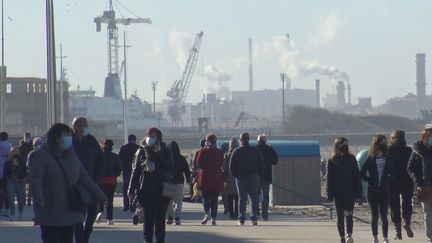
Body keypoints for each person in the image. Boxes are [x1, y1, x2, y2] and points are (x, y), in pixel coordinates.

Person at [30, 123, 106, 243]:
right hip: (50, 208)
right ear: (56, 138)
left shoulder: (71, 155)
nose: (69, 139)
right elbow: (36, 180)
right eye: (66, 135)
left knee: (67, 238)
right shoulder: (42, 155)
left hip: (69, 209)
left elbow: (84, 177)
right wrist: (39, 199)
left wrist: (100, 195)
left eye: (70, 135)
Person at [128, 127, 172, 243]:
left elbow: (169, 167)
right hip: (146, 191)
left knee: (160, 219)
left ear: (158, 138)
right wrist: (131, 190)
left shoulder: (165, 150)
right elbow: (135, 171)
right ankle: (147, 240)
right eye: (148, 136)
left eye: (153, 136)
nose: (150, 138)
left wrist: (159, 154)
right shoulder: (141, 151)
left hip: (162, 191)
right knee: (148, 219)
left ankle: (160, 240)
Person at [72, 117, 105, 243]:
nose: (86, 128)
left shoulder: (91, 140)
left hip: (91, 183)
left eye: (87, 126)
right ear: (76, 127)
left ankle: (86, 235)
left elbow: (100, 159)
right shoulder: (70, 141)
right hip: (75, 185)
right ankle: (81, 239)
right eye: (83, 126)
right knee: (78, 216)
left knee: (92, 213)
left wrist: (97, 176)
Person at [327, 137, 362, 243]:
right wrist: (329, 193)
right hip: (337, 193)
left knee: (349, 214)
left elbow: (356, 176)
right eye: (342, 145)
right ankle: (342, 237)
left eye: (346, 145)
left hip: (349, 192)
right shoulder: (332, 160)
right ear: (337, 146)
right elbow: (329, 178)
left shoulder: (351, 158)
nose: (344, 147)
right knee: (340, 216)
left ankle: (349, 235)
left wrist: (358, 192)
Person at [360, 134, 391, 243]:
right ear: (377, 143)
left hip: (384, 190)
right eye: (382, 142)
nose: (384, 144)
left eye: (385, 142)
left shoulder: (388, 158)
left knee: (384, 215)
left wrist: (388, 181)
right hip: (372, 191)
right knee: (375, 215)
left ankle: (385, 237)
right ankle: (375, 237)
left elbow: (393, 172)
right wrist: (370, 180)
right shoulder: (371, 158)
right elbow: (362, 172)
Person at [230, 132, 264, 226]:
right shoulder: (255, 150)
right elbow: (261, 163)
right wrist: (259, 174)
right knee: (253, 197)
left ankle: (241, 219)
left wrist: (235, 175)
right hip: (254, 176)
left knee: (242, 198)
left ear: (241, 140)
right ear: (249, 139)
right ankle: (254, 218)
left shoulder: (237, 151)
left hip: (241, 177)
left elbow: (231, 166)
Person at [387, 130, 414, 240]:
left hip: (393, 182)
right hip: (407, 181)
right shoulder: (408, 150)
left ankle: (398, 233)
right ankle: (406, 221)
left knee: (394, 206)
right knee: (407, 204)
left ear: (393, 139)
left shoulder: (389, 150)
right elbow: (412, 165)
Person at [407, 124, 432, 242]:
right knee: (428, 214)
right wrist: (418, 183)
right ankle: (430, 236)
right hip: (425, 186)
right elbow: (410, 167)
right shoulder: (418, 150)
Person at [196, 134, 224, 226]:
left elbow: (198, 164)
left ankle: (207, 213)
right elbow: (221, 164)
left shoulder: (203, 152)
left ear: (207, 141)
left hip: (205, 177)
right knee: (214, 199)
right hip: (216, 177)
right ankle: (213, 218)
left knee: (205, 197)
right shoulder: (219, 152)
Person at [96, 139, 121, 225]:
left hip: (101, 179)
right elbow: (118, 169)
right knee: (110, 199)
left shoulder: (99, 155)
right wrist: (116, 174)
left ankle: (100, 212)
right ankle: (109, 219)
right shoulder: (115, 156)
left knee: (100, 197)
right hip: (112, 180)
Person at [166, 141, 191, 225]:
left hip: (168, 181)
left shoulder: (166, 158)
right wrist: (188, 180)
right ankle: (177, 217)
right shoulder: (182, 158)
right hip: (179, 181)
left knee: (169, 201)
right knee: (178, 200)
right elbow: (187, 170)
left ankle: (170, 217)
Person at [256, 134, 278, 221]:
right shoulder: (270, 149)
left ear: (258, 141)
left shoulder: (255, 149)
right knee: (265, 196)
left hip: (256, 175)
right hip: (267, 175)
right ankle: (265, 214)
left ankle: (256, 212)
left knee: (255, 195)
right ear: (265, 141)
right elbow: (275, 161)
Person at [4, 146, 27, 221]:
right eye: (13, 151)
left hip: (19, 181)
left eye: (16, 151)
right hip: (10, 181)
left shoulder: (22, 161)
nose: (15, 152)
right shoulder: (7, 162)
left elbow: (24, 172)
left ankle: (21, 213)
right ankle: (12, 214)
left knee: (20, 198)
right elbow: (5, 172)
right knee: (11, 198)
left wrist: (21, 177)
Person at [118, 134, 139, 211]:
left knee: (126, 187)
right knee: (136, 188)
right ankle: (135, 204)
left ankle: (126, 205)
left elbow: (120, 160)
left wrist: (120, 169)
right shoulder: (138, 148)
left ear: (128, 139)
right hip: (136, 171)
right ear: (135, 139)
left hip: (126, 170)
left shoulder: (124, 148)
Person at [223, 137, 239, 220]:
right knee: (237, 198)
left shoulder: (226, 155)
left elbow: (224, 168)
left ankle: (231, 213)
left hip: (229, 179)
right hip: (237, 177)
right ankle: (237, 213)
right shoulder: (240, 154)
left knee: (229, 197)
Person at [19, 132, 34, 207]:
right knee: (23, 185)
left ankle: (28, 200)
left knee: (30, 186)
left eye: (29, 137)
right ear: (24, 137)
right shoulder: (21, 146)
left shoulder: (32, 146)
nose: (28, 139)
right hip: (23, 168)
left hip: (29, 167)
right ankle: (24, 200)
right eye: (27, 137)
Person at [0, 131, 11, 217]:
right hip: (6, 173)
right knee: (6, 191)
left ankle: (1, 208)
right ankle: (6, 208)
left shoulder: (4, 145)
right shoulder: (9, 145)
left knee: (3, 192)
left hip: (3, 172)